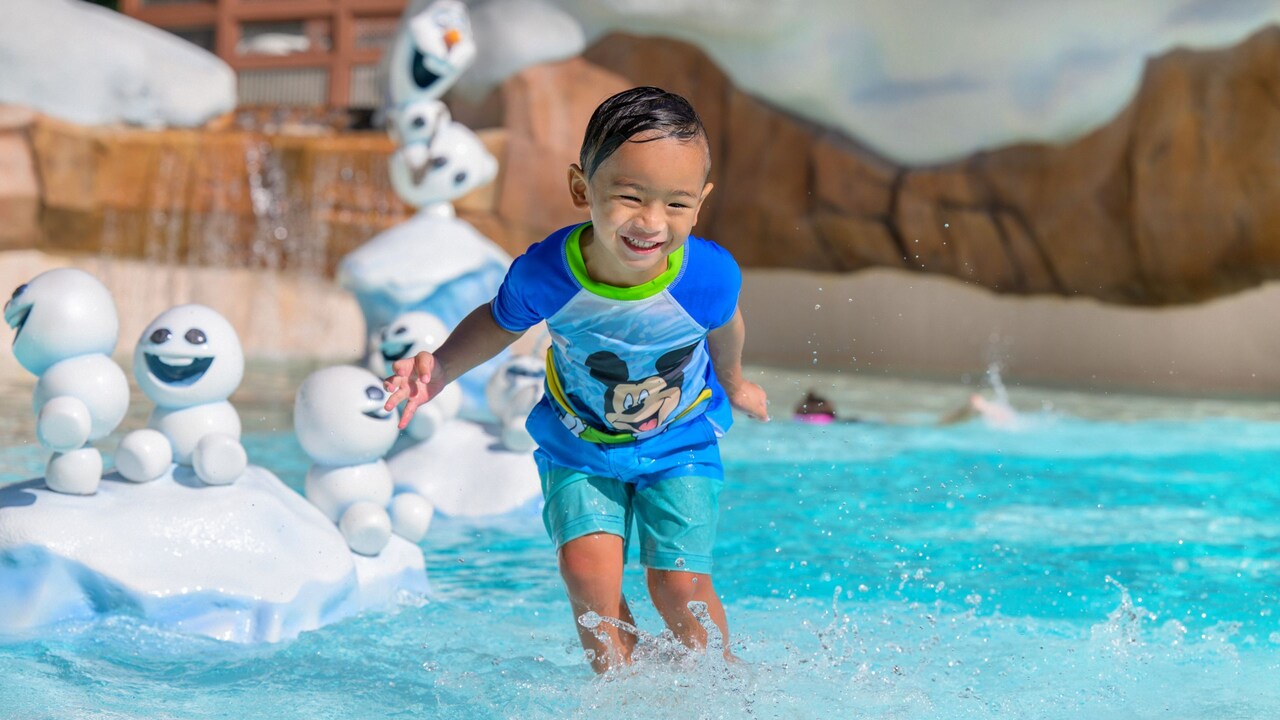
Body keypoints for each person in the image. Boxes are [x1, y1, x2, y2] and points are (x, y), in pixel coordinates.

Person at [383, 86, 769, 672]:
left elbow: (725, 326)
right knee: (587, 573)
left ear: (700, 203)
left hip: (680, 437)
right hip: (579, 441)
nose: (651, 222)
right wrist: (440, 370)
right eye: (630, 196)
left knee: (678, 585)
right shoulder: (548, 273)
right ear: (581, 188)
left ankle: (720, 681)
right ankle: (620, 689)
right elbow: (498, 322)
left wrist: (735, 383)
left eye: (676, 204)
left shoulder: (707, 275)